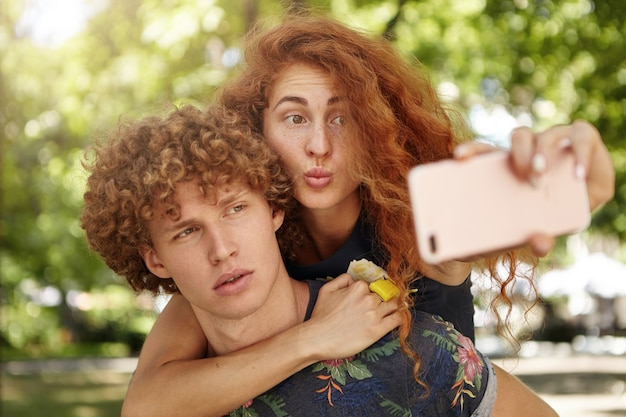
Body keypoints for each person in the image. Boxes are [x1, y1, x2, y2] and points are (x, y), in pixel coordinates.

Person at [121, 14, 615, 417]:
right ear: (256, 133)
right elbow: (148, 403)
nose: (319, 145)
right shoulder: (236, 256)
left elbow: (484, 218)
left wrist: (559, 182)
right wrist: (313, 338)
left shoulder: (416, 221)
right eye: (295, 118)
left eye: (343, 118)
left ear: (375, 129)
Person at [81, 104, 558, 416]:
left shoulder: (405, 344)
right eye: (186, 231)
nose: (221, 248)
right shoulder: (174, 378)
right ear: (155, 259)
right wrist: (313, 339)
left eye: (235, 209)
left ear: (273, 209)